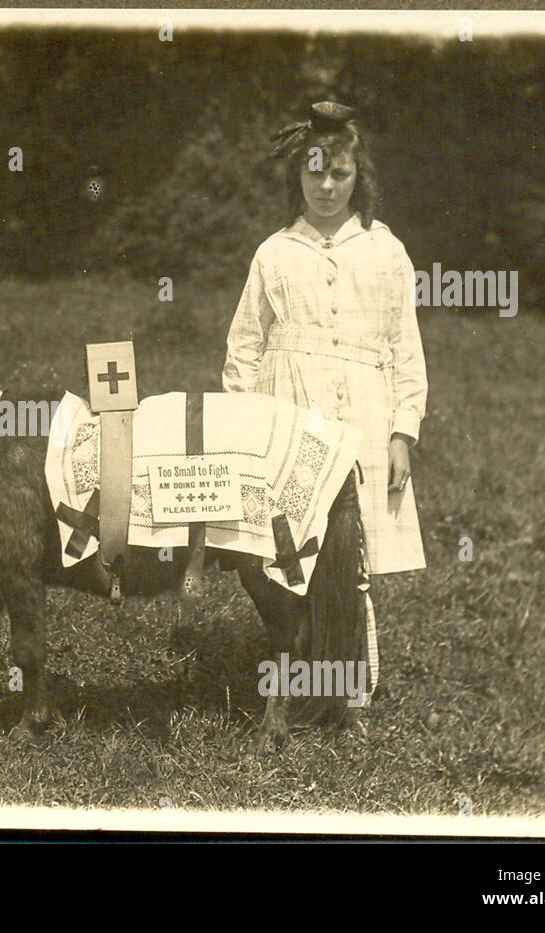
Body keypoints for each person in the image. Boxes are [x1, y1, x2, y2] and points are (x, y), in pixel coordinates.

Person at [222, 101, 428, 695]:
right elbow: (244, 346)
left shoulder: (385, 251)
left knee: (352, 552)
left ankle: (352, 687)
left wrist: (401, 433)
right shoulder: (275, 252)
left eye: (340, 173)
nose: (328, 186)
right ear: (299, 176)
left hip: (364, 408)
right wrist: (246, 426)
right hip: (288, 410)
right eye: (316, 173)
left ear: (358, 176)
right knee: (293, 548)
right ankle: (300, 673)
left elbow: (405, 347)